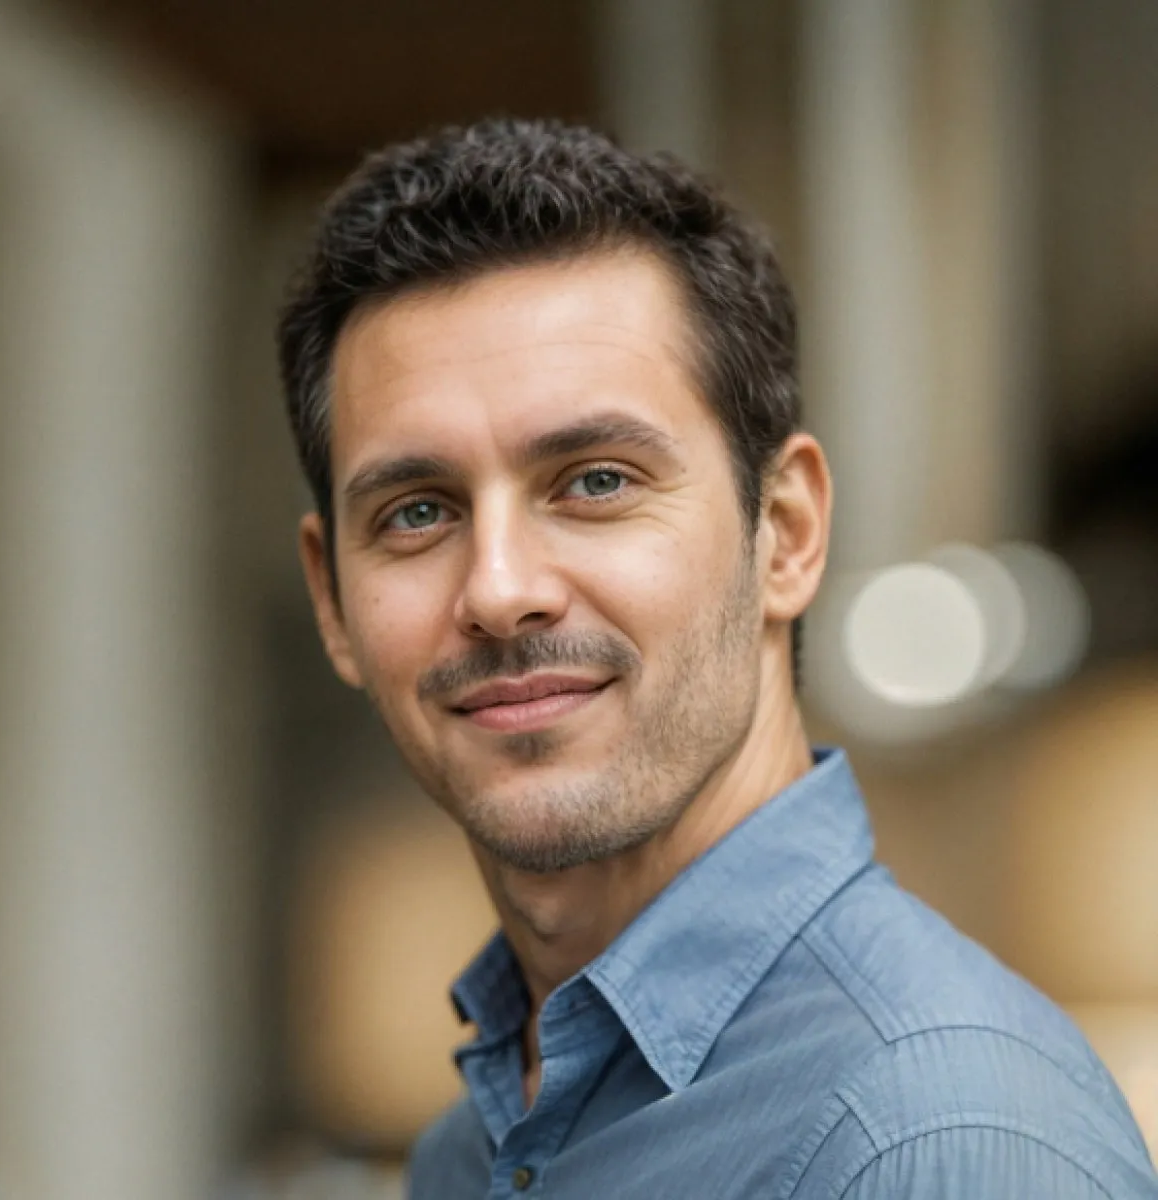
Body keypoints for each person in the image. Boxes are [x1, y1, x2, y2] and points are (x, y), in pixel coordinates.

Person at [276, 118, 1158, 1199]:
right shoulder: (469, 1156)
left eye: (596, 481)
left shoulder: (940, 1140)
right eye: (417, 511)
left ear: (784, 534)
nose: (499, 589)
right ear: (332, 600)